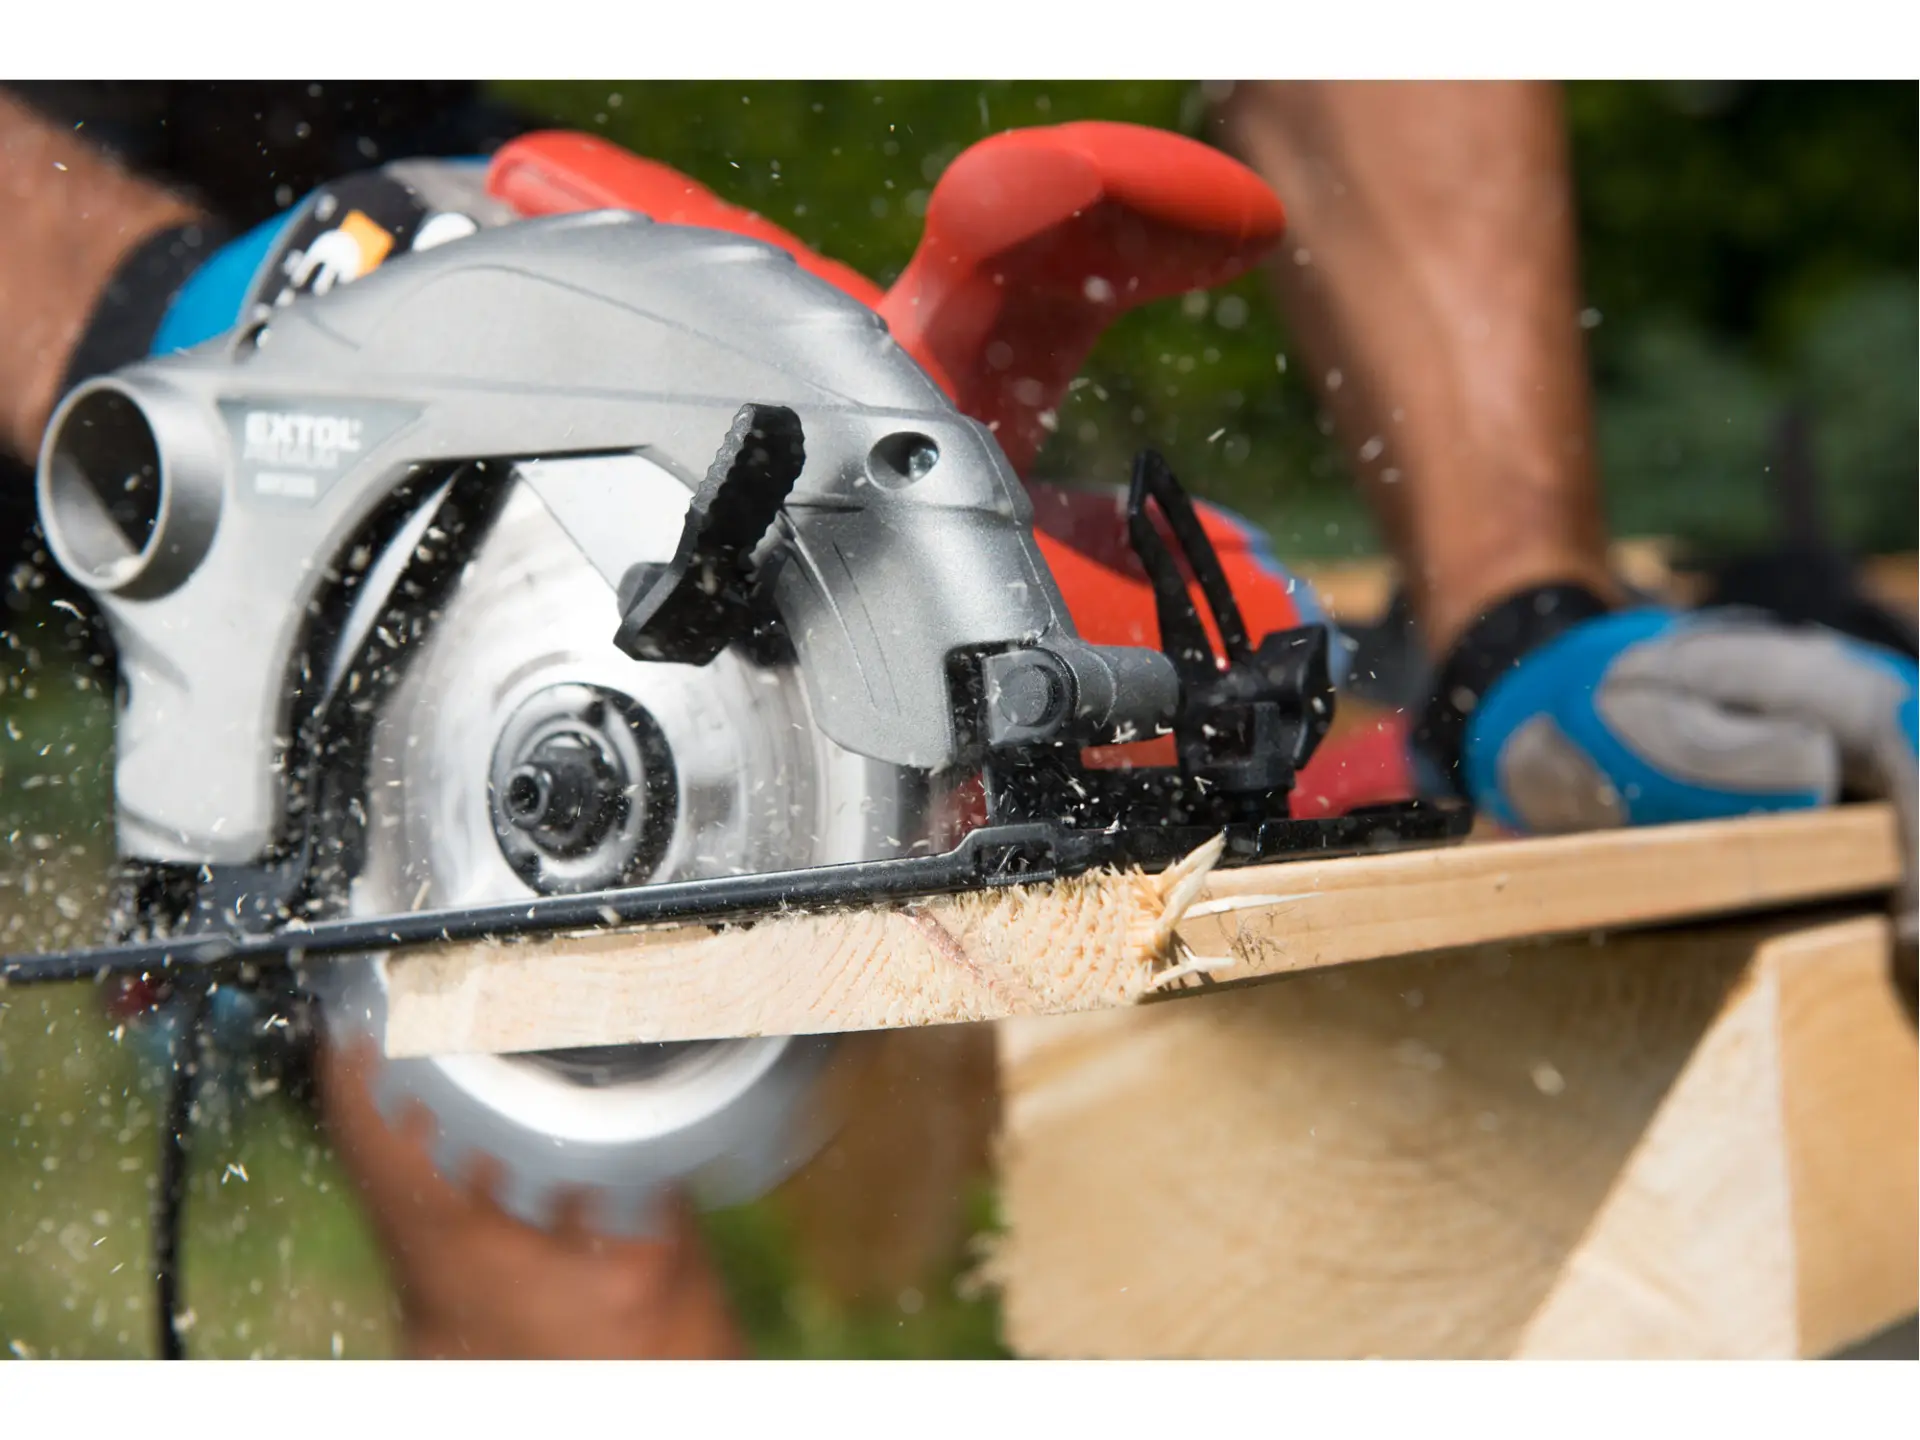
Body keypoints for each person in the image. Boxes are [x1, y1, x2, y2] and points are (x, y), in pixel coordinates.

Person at [2, 81, 1913, 1358]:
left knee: (562, 1222)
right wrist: (171, 303)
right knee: (548, 1222)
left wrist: (1514, 603)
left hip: (346, 150)